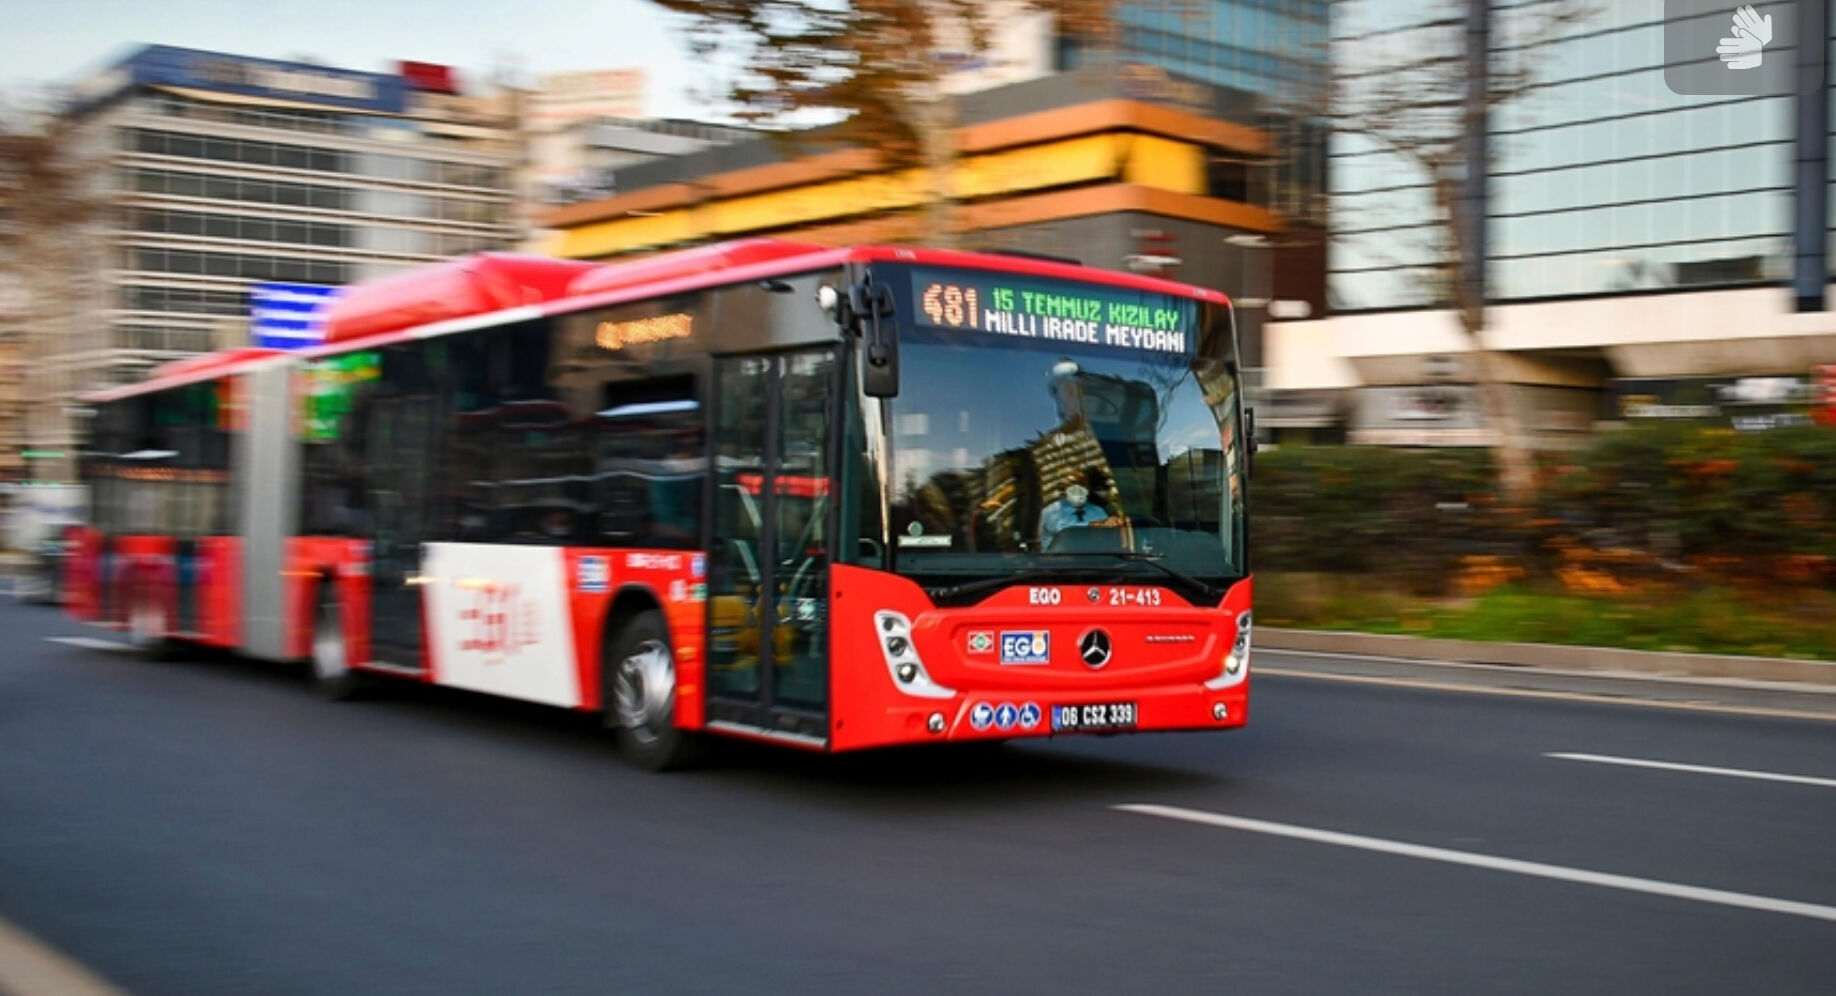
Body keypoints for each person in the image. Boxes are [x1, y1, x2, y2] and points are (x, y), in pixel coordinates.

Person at [1039, 479, 1110, 549]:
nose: (1077, 489)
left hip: (1094, 556)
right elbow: (1061, 530)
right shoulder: (1051, 511)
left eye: (1081, 485)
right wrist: (1089, 525)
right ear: (1065, 489)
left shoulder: (1098, 511)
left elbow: (1105, 536)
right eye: (1072, 484)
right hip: (1058, 557)